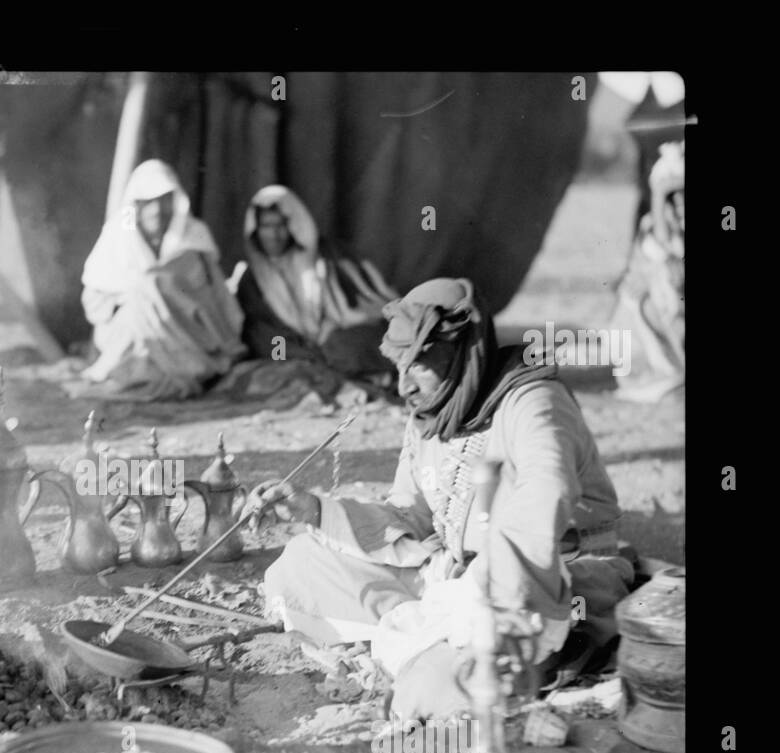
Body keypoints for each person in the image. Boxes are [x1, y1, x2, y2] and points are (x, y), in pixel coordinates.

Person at [251, 277, 635, 721]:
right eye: (398, 366)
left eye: (418, 364)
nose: (403, 386)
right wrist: (314, 510)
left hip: (546, 584)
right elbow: (409, 514)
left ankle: (441, 650)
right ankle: (429, 637)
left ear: (463, 350)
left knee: (427, 692)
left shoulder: (534, 402)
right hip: (454, 578)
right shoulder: (433, 412)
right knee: (298, 566)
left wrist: (481, 589)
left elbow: (543, 498)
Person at [74, 160, 245, 401]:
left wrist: (164, 292)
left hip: (188, 328)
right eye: (148, 202)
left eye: (164, 200)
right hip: (131, 333)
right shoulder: (117, 236)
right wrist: (137, 298)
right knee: (141, 298)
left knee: (152, 287)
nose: (157, 209)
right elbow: (94, 303)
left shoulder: (193, 235)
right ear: (136, 204)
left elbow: (216, 294)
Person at [219, 185, 398, 405]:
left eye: (281, 225)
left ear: (294, 225)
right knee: (279, 361)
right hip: (290, 347)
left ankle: (370, 375)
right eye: (266, 226)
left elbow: (364, 304)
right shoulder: (250, 277)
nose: (274, 235)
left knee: (350, 346)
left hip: (336, 337)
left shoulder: (328, 255)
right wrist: (299, 349)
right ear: (256, 230)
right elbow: (260, 331)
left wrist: (329, 329)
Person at [612, 141, 684, 403]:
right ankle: (670, 374)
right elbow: (663, 253)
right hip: (647, 320)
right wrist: (660, 193)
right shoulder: (654, 230)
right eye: (675, 202)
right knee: (667, 282)